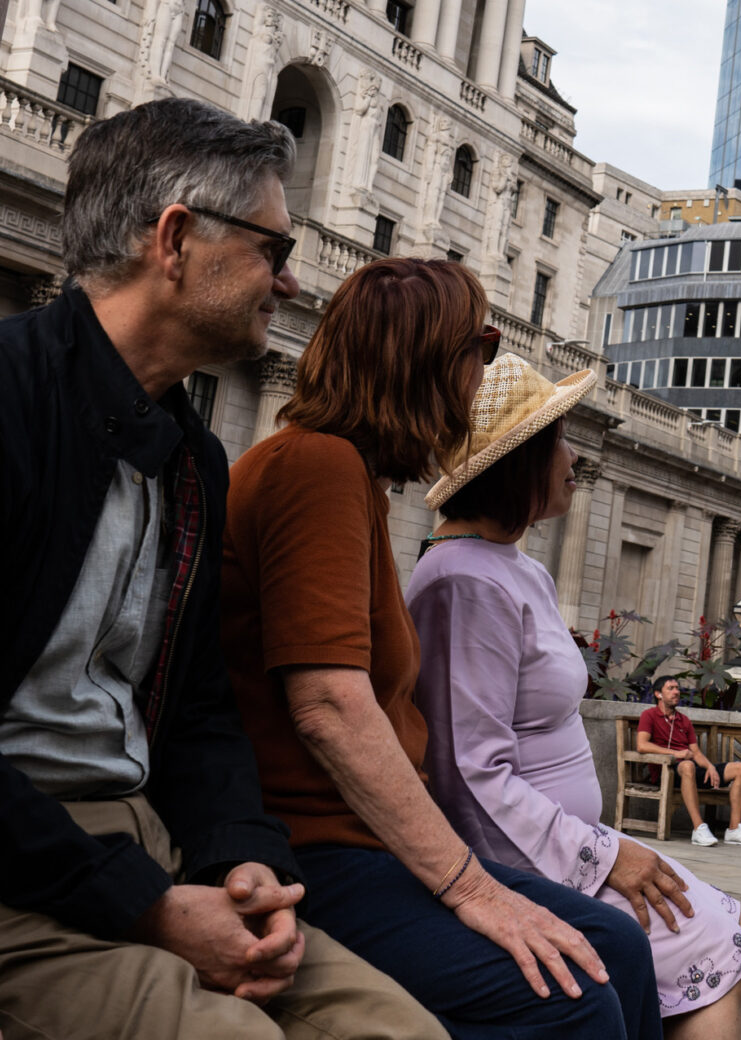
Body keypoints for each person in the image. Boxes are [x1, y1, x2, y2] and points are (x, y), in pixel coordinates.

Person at [0, 98, 443, 1039]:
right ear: (177, 238)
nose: (289, 281)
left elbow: (197, 710)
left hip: (153, 842)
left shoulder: (191, 457)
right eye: (275, 249)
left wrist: (244, 859)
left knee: (402, 1032)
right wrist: (144, 908)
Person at [222, 259, 661, 1038]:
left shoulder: (347, 475)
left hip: (360, 845)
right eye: (482, 346)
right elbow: (329, 706)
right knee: (576, 991)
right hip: (321, 852)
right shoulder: (314, 465)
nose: (483, 375)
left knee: (617, 945)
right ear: (428, 361)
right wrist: (471, 887)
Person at [409, 355, 741, 1036]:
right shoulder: (462, 582)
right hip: (522, 861)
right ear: (520, 465)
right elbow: (469, 779)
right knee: (707, 933)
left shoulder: (514, 568)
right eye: (559, 442)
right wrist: (603, 857)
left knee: (721, 917)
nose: (573, 457)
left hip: (565, 846)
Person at [637, 674, 741, 847]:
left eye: (677, 688)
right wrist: (676, 754)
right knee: (687, 765)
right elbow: (642, 746)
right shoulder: (649, 715)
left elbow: (695, 752)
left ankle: (734, 829)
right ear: (658, 694)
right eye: (670, 689)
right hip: (667, 771)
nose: (676, 692)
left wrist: (710, 767)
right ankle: (698, 829)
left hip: (691, 769)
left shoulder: (683, 720)